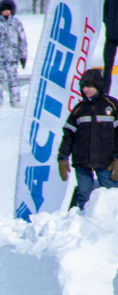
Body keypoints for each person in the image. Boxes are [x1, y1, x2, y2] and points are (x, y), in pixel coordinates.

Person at [57, 69, 118, 207]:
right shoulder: (79, 109)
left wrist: (117, 158)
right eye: (83, 86)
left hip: (106, 161)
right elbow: (68, 135)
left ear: (98, 86)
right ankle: (82, 224)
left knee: (111, 195)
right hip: (82, 160)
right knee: (84, 195)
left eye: (89, 86)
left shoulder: (112, 106)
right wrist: (62, 157)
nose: (86, 90)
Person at [0, 0, 27, 110]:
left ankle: (15, 101)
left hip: (12, 57)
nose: (6, 12)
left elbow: (22, 40)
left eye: (8, 10)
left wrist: (23, 55)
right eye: (4, 10)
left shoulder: (16, 23)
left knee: (13, 80)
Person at [104, 0, 118, 96]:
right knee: (107, 64)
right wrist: (107, 22)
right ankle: (104, 93)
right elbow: (106, 8)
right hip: (110, 36)